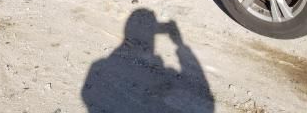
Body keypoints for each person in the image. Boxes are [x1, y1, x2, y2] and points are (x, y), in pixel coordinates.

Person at [82, 8, 214, 112]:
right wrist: (180, 45)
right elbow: (207, 100)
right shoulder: (100, 66)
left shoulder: (99, 66)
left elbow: (87, 95)